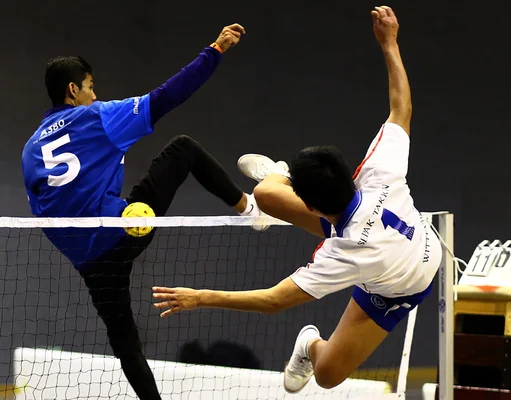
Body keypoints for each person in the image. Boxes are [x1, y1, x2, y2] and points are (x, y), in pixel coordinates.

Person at [152, 6, 442, 393]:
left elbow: (274, 301)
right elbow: (401, 107)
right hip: (389, 237)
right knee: (264, 197)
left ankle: (307, 343)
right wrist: (390, 42)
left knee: (327, 375)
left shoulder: (341, 253)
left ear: (314, 208)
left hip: (396, 289)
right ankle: (278, 176)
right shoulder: (379, 171)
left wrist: (201, 297)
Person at [22, 23, 267, 400]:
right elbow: (169, 95)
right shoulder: (96, 117)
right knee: (182, 148)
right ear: (73, 90)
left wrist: (81, 251)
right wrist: (215, 50)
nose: (95, 93)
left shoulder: (30, 149)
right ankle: (251, 209)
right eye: (90, 85)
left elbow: (44, 213)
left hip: (91, 265)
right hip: (124, 230)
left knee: (125, 345)